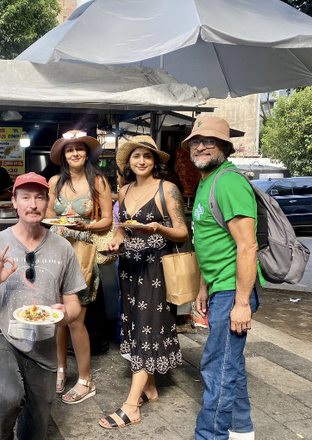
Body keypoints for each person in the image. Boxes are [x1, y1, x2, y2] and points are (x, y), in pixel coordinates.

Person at [0, 172, 85, 440]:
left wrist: (65, 314)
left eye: (39, 198)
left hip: (43, 344)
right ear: (14, 202)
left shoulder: (63, 247)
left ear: (47, 202)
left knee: (35, 433)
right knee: (8, 398)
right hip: (0, 335)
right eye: (25, 197)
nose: (33, 204)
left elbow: (73, 304)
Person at [183, 116, 264, 440]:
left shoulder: (229, 182)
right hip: (220, 288)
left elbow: (247, 246)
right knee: (231, 364)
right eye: (196, 141)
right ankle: (241, 429)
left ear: (225, 147)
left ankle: (210, 435)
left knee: (217, 367)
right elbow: (211, 242)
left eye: (210, 141)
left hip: (233, 291)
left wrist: (241, 304)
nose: (201, 146)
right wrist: (203, 286)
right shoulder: (207, 181)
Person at [100, 135, 188, 429]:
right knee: (135, 325)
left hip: (156, 269)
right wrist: (116, 241)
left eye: (147, 156)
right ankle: (149, 389)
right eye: (136, 156)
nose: (141, 161)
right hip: (128, 268)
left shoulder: (168, 188)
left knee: (148, 327)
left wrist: (158, 228)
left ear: (154, 162)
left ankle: (130, 407)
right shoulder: (124, 191)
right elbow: (122, 229)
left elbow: (182, 233)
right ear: (129, 162)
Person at [45, 129, 113, 404]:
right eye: (70, 149)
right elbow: (49, 214)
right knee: (58, 317)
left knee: (76, 319)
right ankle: (60, 369)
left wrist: (86, 226)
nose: (75, 153)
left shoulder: (98, 181)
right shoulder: (54, 182)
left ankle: (85, 379)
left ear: (86, 153)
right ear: (63, 155)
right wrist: (60, 223)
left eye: (79, 149)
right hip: (56, 250)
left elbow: (107, 219)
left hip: (83, 252)